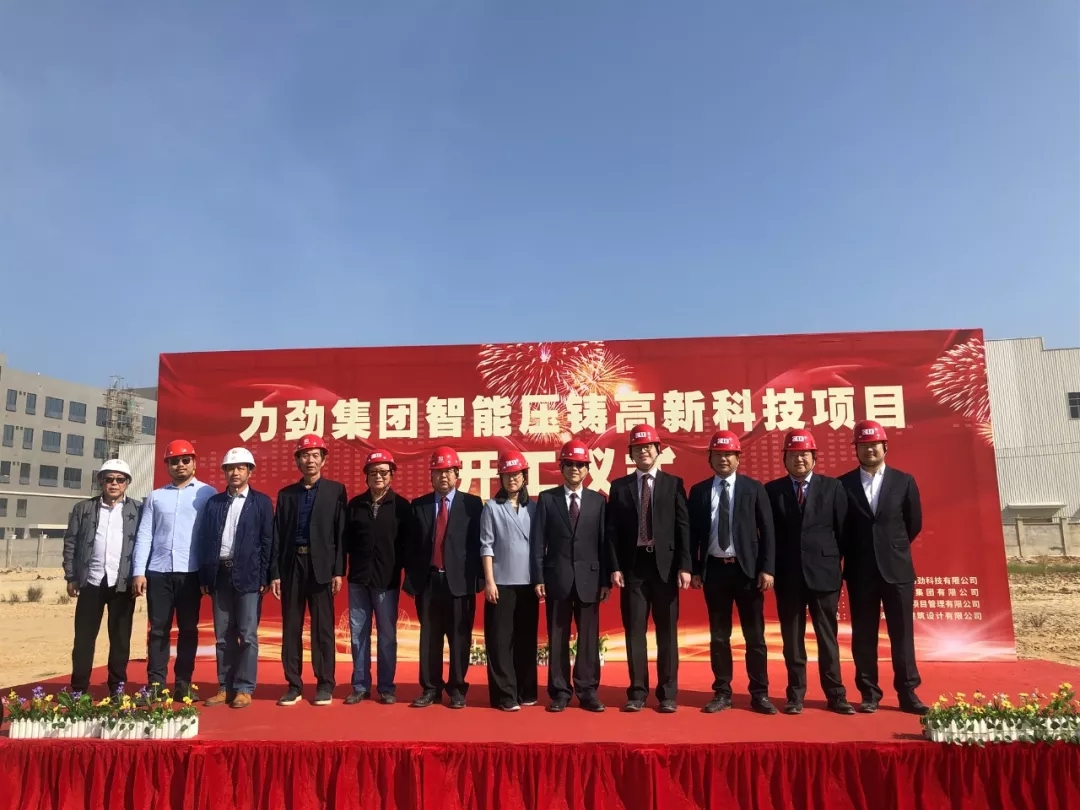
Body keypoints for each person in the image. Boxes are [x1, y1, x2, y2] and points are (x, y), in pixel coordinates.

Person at [839, 420, 927, 715]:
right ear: (856, 450)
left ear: (885, 447)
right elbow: (841, 528)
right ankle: (869, 693)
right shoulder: (843, 484)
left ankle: (908, 692)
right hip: (860, 571)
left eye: (874, 445)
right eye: (863, 446)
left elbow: (913, 523)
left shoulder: (904, 481)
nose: (869, 450)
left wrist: (892, 548)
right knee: (864, 635)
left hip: (897, 571)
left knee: (902, 634)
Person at [764, 429, 854, 715]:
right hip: (788, 575)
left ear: (814, 457)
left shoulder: (833, 487)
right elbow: (768, 535)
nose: (799, 459)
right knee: (792, 640)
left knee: (827, 638)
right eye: (793, 454)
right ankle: (795, 695)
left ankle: (836, 694)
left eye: (804, 454)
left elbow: (843, 531)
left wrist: (831, 560)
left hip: (824, 574)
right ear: (784, 458)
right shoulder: (772, 490)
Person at [688, 429, 777, 715]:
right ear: (709, 458)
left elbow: (768, 531)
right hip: (715, 571)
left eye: (729, 454)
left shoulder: (754, 488)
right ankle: (722, 692)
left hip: (747, 572)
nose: (723, 459)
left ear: (738, 457)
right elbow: (692, 534)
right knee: (718, 636)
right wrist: (694, 568)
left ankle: (759, 694)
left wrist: (767, 569)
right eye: (718, 454)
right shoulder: (700, 491)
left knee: (755, 636)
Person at [606, 424, 692, 713]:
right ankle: (637, 693)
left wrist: (685, 565)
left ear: (658, 450)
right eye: (637, 448)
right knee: (634, 632)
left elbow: (683, 527)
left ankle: (668, 694)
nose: (643, 452)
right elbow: (612, 531)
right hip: (633, 568)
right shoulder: (620, 487)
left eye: (648, 447)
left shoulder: (673, 484)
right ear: (631, 454)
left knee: (667, 633)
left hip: (665, 568)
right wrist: (615, 566)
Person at [530, 438, 614, 713]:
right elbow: (538, 541)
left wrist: (605, 580)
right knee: (558, 636)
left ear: (587, 469)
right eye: (569, 464)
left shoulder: (598, 501)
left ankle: (588, 691)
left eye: (580, 465)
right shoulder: (548, 499)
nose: (575, 469)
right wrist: (538, 577)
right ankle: (560, 692)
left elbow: (604, 543)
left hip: (590, 580)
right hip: (557, 578)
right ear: (561, 468)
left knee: (588, 638)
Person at [131, 440, 215, 701]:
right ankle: (156, 685)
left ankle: (183, 684)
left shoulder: (207, 493)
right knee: (158, 630)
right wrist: (139, 571)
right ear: (167, 465)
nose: (180, 465)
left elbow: (212, 535)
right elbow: (145, 534)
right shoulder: (156, 496)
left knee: (188, 629)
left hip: (191, 573)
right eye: (174, 461)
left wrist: (209, 573)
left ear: (194, 463)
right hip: (159, 572)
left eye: (185, 460)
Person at [270, 433, 347, 707]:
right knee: (291, 627)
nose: (310, 460)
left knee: (322, 628)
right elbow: (277, 536)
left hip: (321, 566)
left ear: (323, 460)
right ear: (298, 461)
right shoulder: (286, 495)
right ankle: (294, 684)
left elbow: (340, 533)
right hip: (292, 565)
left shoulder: (335, 491)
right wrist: (275, 573)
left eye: (315, 455)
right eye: (305, 455)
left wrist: (338, 570)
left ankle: (325, 683)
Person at [404, 446, 484, 709]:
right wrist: (413, 580)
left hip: (460, 583)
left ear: (457, 474)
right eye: (438, 472)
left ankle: (457, 688)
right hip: (429, 582)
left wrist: (478, 581)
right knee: (430, 638)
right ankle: (430, 688)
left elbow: (480, 544)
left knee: (460, 638)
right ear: (431, 475)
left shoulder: (472, 505)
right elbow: (411, 546)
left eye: (448, 471)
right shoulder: (419, 505)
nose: (443, 477)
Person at [197, 447, 274, 709]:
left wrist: (265, 576)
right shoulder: (214, 503)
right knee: (222, 636)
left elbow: (267, 541)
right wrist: (205, 575)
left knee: (247, 635)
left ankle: (244, 688)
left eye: (241, 468)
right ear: (225, 472)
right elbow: (206, 540)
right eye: (230, 468)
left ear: (250, 471)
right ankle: (224, 686)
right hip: (219, 575)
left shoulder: (260, 502)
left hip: (249, 575)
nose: (235, 472)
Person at [62, 459, 141, 696]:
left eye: (120, 479)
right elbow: (71, 542)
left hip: (122, 583)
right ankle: (78, 690)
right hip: (91, 581)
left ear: (127, 483)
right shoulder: (83, 509)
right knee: (84, 639)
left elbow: (144, 543)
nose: (114, 484)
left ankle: (117, 688)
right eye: (109, 479)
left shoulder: (138, 510)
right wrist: (71, 576)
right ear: (101, 481)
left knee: (120, 640)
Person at [343, 448, 411, 705]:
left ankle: (386, 687)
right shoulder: (355, 505)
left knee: (386, 636)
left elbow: (407, 546)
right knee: (358, 634)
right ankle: (360, 685)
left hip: (386, 581)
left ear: (392, 474)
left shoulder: (401, 507)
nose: (378, 476)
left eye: (383, 472)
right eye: (373, 472)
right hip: (358, 580)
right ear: (366, 476)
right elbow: (345, 542)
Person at [480, 449, 539, 712]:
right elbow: (486, 546)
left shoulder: (534, 507)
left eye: (516, 474)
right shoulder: (492, 508)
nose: (512, 479)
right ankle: (504, 694)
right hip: (501, 583)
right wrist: (489, 581)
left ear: (524, 476)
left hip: (528, 583)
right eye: (507, 475)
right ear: (500, 479)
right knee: (500, 641)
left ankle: (526, 690)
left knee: (526, 639)